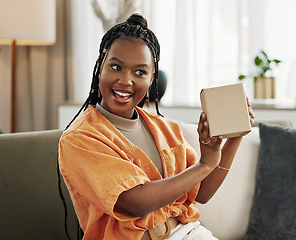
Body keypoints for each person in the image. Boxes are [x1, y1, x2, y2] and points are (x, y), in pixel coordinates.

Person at [58, 13, 254, 240]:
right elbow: (134, 203)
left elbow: (202, 192)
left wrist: (235, 135)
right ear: (100, 67)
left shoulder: (164, 128)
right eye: (116, 67)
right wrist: (204, 164)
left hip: (188, 232)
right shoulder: (79, 138)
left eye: (139, 72)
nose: (126, 81)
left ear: (151, 79)